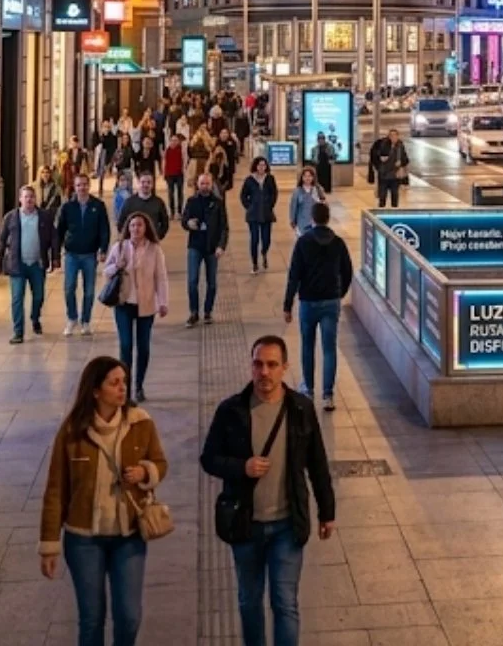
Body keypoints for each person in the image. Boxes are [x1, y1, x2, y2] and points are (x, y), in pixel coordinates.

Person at [200, 335, 336, 646]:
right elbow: (209, 458)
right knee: (249, 602)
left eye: (272, 365)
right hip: (245, 524)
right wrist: (241, 467)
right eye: (258, 364)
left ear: (285, 368)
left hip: (287, 525)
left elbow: (317, 462)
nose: (265, 372)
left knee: (284, 602)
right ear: (251, 367)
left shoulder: (300, 409)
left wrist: (327, 512)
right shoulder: (231, 410)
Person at [39, 355, 168, 646]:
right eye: (114, 383)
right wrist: (49, 545)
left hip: (130, 536)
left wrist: (145, 472)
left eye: (124, 382)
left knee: (129, 616)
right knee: (91, 619)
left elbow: (160, 462)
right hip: (84, 539)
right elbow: (56, 489)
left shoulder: (141, 423)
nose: (122, 388)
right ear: (96, 390)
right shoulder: (73, 431)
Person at [283, 202, 353, 411]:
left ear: (312, 219)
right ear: (328, 218)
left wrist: (287, 304)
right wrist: (339, 294)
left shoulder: (303, 242)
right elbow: (347, 271)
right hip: (331, 301)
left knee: (307, 346)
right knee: (329, 349)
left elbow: (294, 275)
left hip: (308, 302)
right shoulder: (338, 243)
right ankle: (328, 395)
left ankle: (309, 390)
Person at [103, 212, 169, 404]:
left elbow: (161, 277)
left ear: (146, 227)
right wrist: (117, 267)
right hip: (124, 304)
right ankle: (126, 388)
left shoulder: (155, 249)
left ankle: (139, 385)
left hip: (146, 305)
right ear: (128, 228)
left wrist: (163, 302)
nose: (135, 229)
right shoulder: (120, 247)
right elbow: (106, 271)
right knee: (125, 346)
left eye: (139, 225)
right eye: (132, 226)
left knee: (144, 347)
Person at [0, 184, 55, 344]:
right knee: (17, 298)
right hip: (17, 264)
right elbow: (1, 239)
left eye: (31, 196)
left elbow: (53, 238)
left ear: (35, 199)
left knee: (39, 296)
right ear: (20, 199)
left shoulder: (44, 217)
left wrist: (55, 257)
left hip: (37, 263)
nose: (29, 199)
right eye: (26, 196)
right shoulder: (11, 217)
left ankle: (35, 318)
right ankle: (18, 332)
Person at [55, 173, 111, 338]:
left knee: (89, 291)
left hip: (89, 254)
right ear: (75, 186)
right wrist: (56, 253)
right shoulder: (67, 207)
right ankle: (72, 318)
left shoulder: (98, 206)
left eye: (85, 184)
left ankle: (86, 321)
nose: (82, 188)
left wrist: (103, 249)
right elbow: (59, 230)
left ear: (89, 186)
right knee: (69, 288)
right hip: (71, 254)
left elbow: (104, 229)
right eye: (79, 185)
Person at [182, 172, 228, 326]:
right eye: (202, 183)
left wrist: (221, 246)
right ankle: (194, 312)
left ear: (211, 185)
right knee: (192, 281)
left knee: (212, 282)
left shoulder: (218, 202)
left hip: (212, 247)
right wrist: (188, 224)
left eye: (207, 184)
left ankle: (208, 311)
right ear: (198, 185)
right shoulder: (191, 201)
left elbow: (224, 227)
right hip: (195, 245)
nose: (204, 187)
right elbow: (184, 220)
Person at [240, 157, 278, 274]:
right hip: (254, 215)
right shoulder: (249, 180)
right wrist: (249, 206)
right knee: (254, 239)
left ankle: (264, 252)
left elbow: (274, 193)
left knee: (266, 239)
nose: (262, 168)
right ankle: (255, 263)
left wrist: (270, 204)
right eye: (259, 165)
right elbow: (243, 195)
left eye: (264, 165)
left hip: (266, 214)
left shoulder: (270, 178)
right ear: (255, 166)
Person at [117, 171, 170, 242]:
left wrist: (157, 236)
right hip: (132, 244)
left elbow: (165, 224)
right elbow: (121, 223)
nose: (146, 185)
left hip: (152, 243)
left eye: (149, 182)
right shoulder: (129, 202)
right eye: (143, 182)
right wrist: (129, 238)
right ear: (138, 183)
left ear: (153, 184)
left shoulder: (159, 202)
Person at [375, 128, 410, 209]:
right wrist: (381, 159)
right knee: (382, 197)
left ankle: (394, 212)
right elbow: (377, 157)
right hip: (384, 175)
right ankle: (381, 211)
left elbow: (406, 159)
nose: (393, 137)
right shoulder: (383, 145)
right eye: (391, 135)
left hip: (395, 176)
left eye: (395, 135)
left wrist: (401, 162)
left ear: (398, 136)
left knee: (395, 196)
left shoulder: (400, 146)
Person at [288, 166, 326, 235]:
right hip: (302, 224)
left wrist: (318, 200)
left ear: (313, 177)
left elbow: (324, 206)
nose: (307, 178)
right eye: (305, 176)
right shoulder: (297, 191)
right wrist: (293, 221)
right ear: (302, 178)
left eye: (309, 176)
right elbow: (293, 207)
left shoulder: (318, 189)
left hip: (315, 224)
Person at [92, 119, 119, 197]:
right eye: (104, 126)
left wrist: (110, 161)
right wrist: (101, 137)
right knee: (101, 174)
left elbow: (113, 148)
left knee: (113, 173)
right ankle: (100, 189)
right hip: (100, 155)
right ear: (101, 127)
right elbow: (94, 145)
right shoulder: (98, 135)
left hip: (109, 155)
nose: (106, 128)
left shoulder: (112, 137)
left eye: (107, 126)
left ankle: (115, 188)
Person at [163, 132, 185, 217]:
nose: (174, 142)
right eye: (172, 140)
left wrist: (184, 170)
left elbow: (184, 160)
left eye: (176, 140)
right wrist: (164, 173)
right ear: (170, 141)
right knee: (170, 193)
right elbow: (164, 162)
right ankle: (171, 212)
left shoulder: (181, 150)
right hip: (169, 174)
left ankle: (179, 212)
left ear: (178, 141)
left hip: (179, 174)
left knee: (180, 193)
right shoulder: (167, 150)